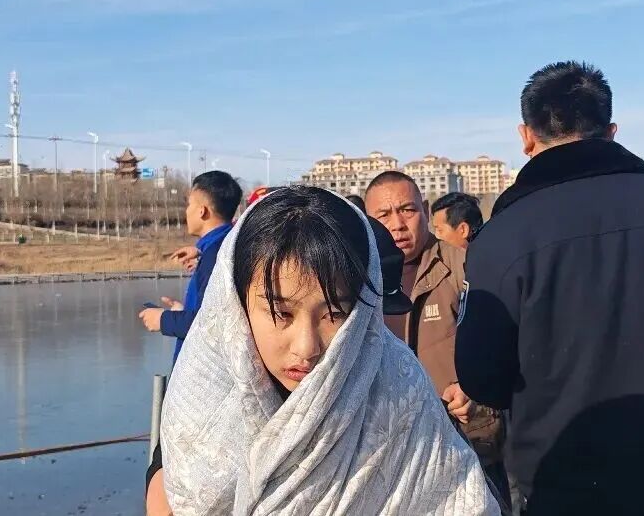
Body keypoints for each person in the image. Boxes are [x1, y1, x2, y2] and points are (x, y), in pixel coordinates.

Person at [456, 61, 644, 516]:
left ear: (526, 136)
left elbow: (482, 377)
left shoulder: (503, 236)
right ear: (611, 132)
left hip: (565, 483)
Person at [152, 186, 499, 514]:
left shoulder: (401, 396)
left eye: (334, 314)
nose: (307, 347)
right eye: (281, 313)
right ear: (236, 306)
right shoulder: (200, 398)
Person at [365, 171, 509, 509]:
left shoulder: (465, 265)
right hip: (393, 454)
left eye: (407, 210)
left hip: (468, 441)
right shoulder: (361, 277)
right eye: (383, 215)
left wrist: (474, 388)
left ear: (426, 210)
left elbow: (503, 345)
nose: (397, 224)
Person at [138, 170, 242, 360]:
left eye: (189, 204)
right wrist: (182, 313)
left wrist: (163, 320)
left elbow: (211, 326)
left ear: (202, 211)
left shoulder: (216, 257)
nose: (186, 211)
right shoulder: (223, 247)